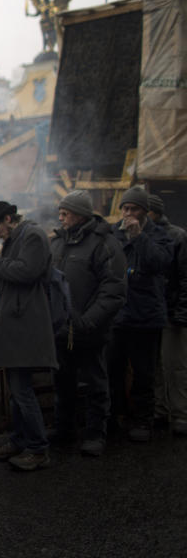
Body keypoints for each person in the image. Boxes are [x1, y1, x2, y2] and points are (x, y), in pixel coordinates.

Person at [0, 201, 57, 471]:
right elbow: (6, 278)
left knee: (22, 390)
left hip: (26, 323)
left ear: (9, 219)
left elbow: (26, 272)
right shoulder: (16, 238)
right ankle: (20, 439)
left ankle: (37, 448)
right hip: (16, 320)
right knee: (16, 389)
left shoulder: (32, 235)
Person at [49, 191, 126, 457]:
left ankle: (96, 434)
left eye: (65, 213)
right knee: (63, 382)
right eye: (60, 213)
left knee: (95, 383)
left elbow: (113, 289)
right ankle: (64, 430)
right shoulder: (57, 243)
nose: (60, 217)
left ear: (80, 215)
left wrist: (89, 321)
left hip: (90, 329)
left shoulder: (104, 243)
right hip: (62, 329)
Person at [108, 186, 173, 442]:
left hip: (146, 315)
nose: (128, 213)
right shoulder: (113, 233)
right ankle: (113, 417)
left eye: (133, 209)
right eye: (125, 208)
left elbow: (160, 263)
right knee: (113, 370)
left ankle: (143, 420)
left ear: (145, 212)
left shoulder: (159, 234)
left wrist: (139, 237)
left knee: (144, 374)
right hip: (117, 314)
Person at [147, 194, 187, 435]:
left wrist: (182, 311)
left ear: (153, 213)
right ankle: (161, 411)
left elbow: (184, 278)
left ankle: (181, 413)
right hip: (151, 311)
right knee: (156, 365)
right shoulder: (143, 236)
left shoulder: (177, 236)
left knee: (176, 366)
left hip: (171, 311)